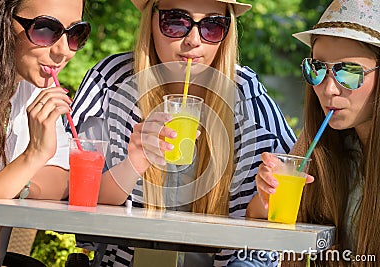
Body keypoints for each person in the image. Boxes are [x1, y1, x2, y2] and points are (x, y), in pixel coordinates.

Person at [69, 0, 295, 266]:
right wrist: (133, 164)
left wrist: (272, 185)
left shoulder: (245, 95)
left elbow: (280, 197)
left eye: (212, 26)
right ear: (150, 20)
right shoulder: (110, 83)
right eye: (176, 22)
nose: (193, 40)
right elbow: (75, 197)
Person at [248, 0, 380, 265]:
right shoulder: (317, 153)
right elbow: (260, 240)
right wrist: (266, 203)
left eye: (350, 72)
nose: (329, 89)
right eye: (317, 69)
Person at [0, 0, 90, 265]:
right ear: (1, 22)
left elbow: (63, 177)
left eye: (75, 34)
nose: (64, 51)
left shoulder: (33, 90)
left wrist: (11, 193)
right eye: (45, 30)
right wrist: (33, 156)